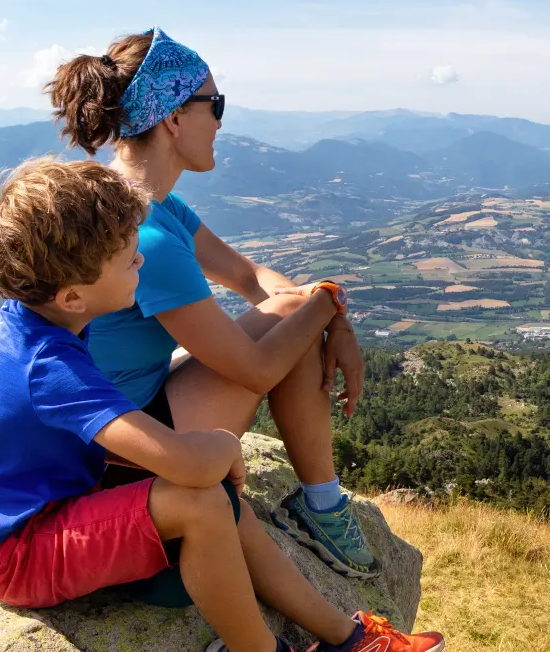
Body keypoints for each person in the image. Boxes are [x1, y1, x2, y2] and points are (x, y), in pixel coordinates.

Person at [0, 159, 444, 652]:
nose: (139, 259)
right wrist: (225, 449)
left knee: (224, 504)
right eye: (126, 257)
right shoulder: (46, 362)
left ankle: (344, 640)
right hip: (19, 552)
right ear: (72, 295)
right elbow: (190, 466)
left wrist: (209, 467)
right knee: (203, 501)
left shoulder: (44, 323)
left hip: (63, 506)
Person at [43, 28, 378, 579]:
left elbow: (249, 277)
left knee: (293, 310)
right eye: (214, 105)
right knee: (294, 319)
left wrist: (326, 312)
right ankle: (322, 507)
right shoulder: (144, 234)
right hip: (117, 457)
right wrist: (328, 303)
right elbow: (255, 370)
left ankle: (321, 503)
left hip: (111, 421)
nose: (220, 121)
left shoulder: (146, 204)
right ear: (174, 118)